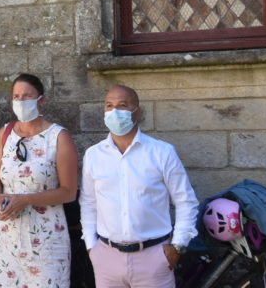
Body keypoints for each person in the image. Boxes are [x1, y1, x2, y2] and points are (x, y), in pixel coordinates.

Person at [79, 85, 199, 288]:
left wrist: (178, 246)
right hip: (106, 258)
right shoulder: (93, 155)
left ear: (137, 112)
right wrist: (92, 246)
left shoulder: (162, 152)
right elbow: (89, 203)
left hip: (154, 258)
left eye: (122, 105)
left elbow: (185, 201)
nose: (115, 112)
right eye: (109, 106)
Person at [0, 74, 78, 287]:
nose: (21, 101)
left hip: (47, 238)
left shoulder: (58, 137)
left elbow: (69, 191)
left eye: (27, 96)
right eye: (16, 96)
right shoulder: (5, 134)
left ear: (41, 100)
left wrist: (26, 199)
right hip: (6, 236)